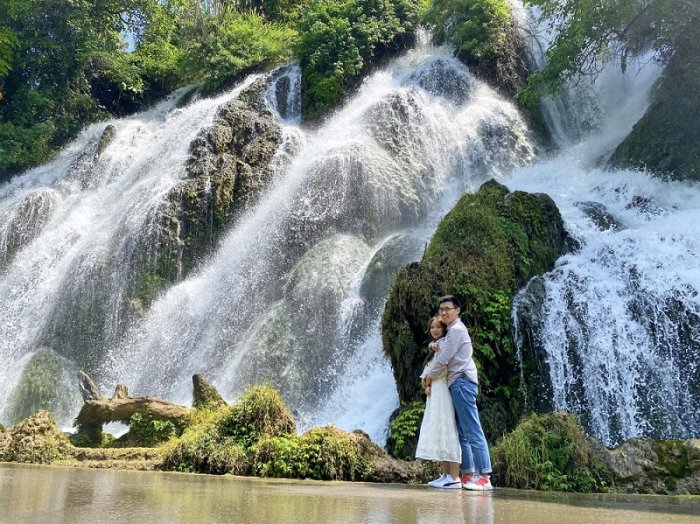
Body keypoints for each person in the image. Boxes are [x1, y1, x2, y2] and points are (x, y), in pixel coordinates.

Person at [421, 295, 493, 490]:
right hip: (457, 382)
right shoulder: (451, 331)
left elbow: (443, 358)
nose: (444, 312)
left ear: (457, 310)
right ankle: (467, 474)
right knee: (462, 431)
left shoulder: (457, 330)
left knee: (472, 429)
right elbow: (438, 347)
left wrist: (428, 376)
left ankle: (484, 476)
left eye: (448, 308)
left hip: (462, 381)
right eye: (441, 309)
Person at [415, 316, 461, 489]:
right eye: (432, 327)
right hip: (434, 392)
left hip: (443, 391)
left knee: (448, 428)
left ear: (444, 329)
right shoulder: (434, 348)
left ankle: (454, 477)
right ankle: (445, 474)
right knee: (439, 429)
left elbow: (442, 369)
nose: (434, 330)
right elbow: (427, 371)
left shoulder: (444, 346)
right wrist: (425, 385)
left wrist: (428, 380)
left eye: (438, 327)